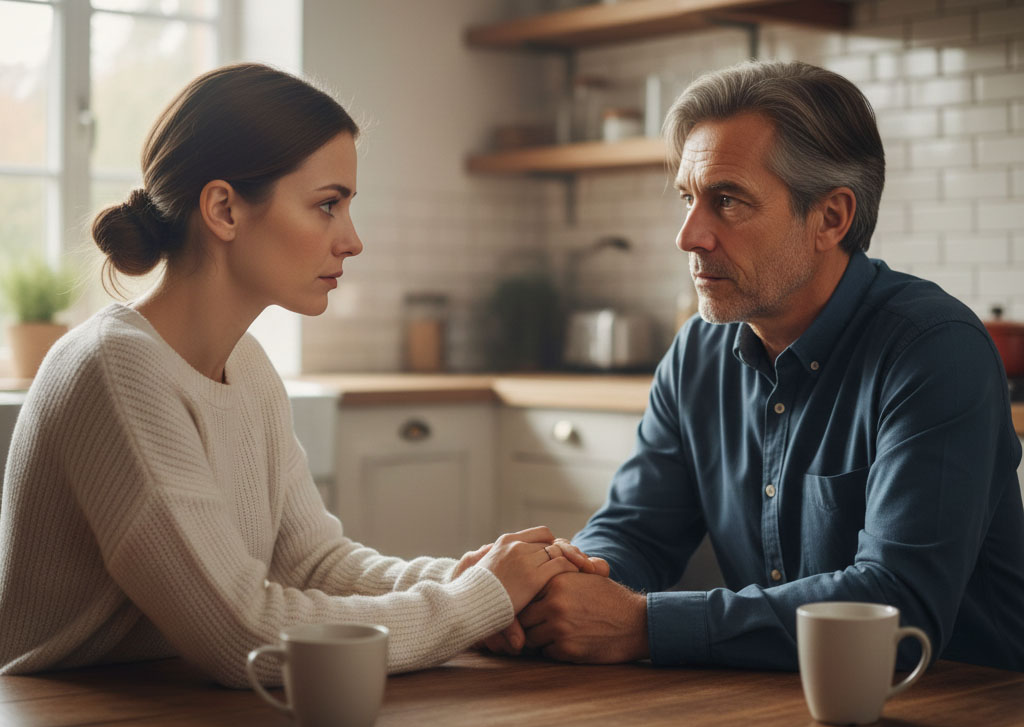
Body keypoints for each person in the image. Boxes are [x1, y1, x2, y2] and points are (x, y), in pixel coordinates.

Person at [0, 63, 603, 688]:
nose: (352, 240)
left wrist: (477, 580)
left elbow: (313, 564)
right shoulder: (115, 367)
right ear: (224, 209)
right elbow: (244, 634)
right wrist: (473, 603)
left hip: (173, 701)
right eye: (327, 205)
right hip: (59, 718)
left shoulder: (247, 365)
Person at [512, 60, 1024, 671]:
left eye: (726, 201)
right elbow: (636, 531)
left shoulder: (933, 349)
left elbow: (897, 602)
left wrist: (643, 625)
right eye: (687, 198)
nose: (689, 235)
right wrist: (566, 585)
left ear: (831, 218)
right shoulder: (698, 352)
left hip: (964, 706)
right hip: (776, 700)